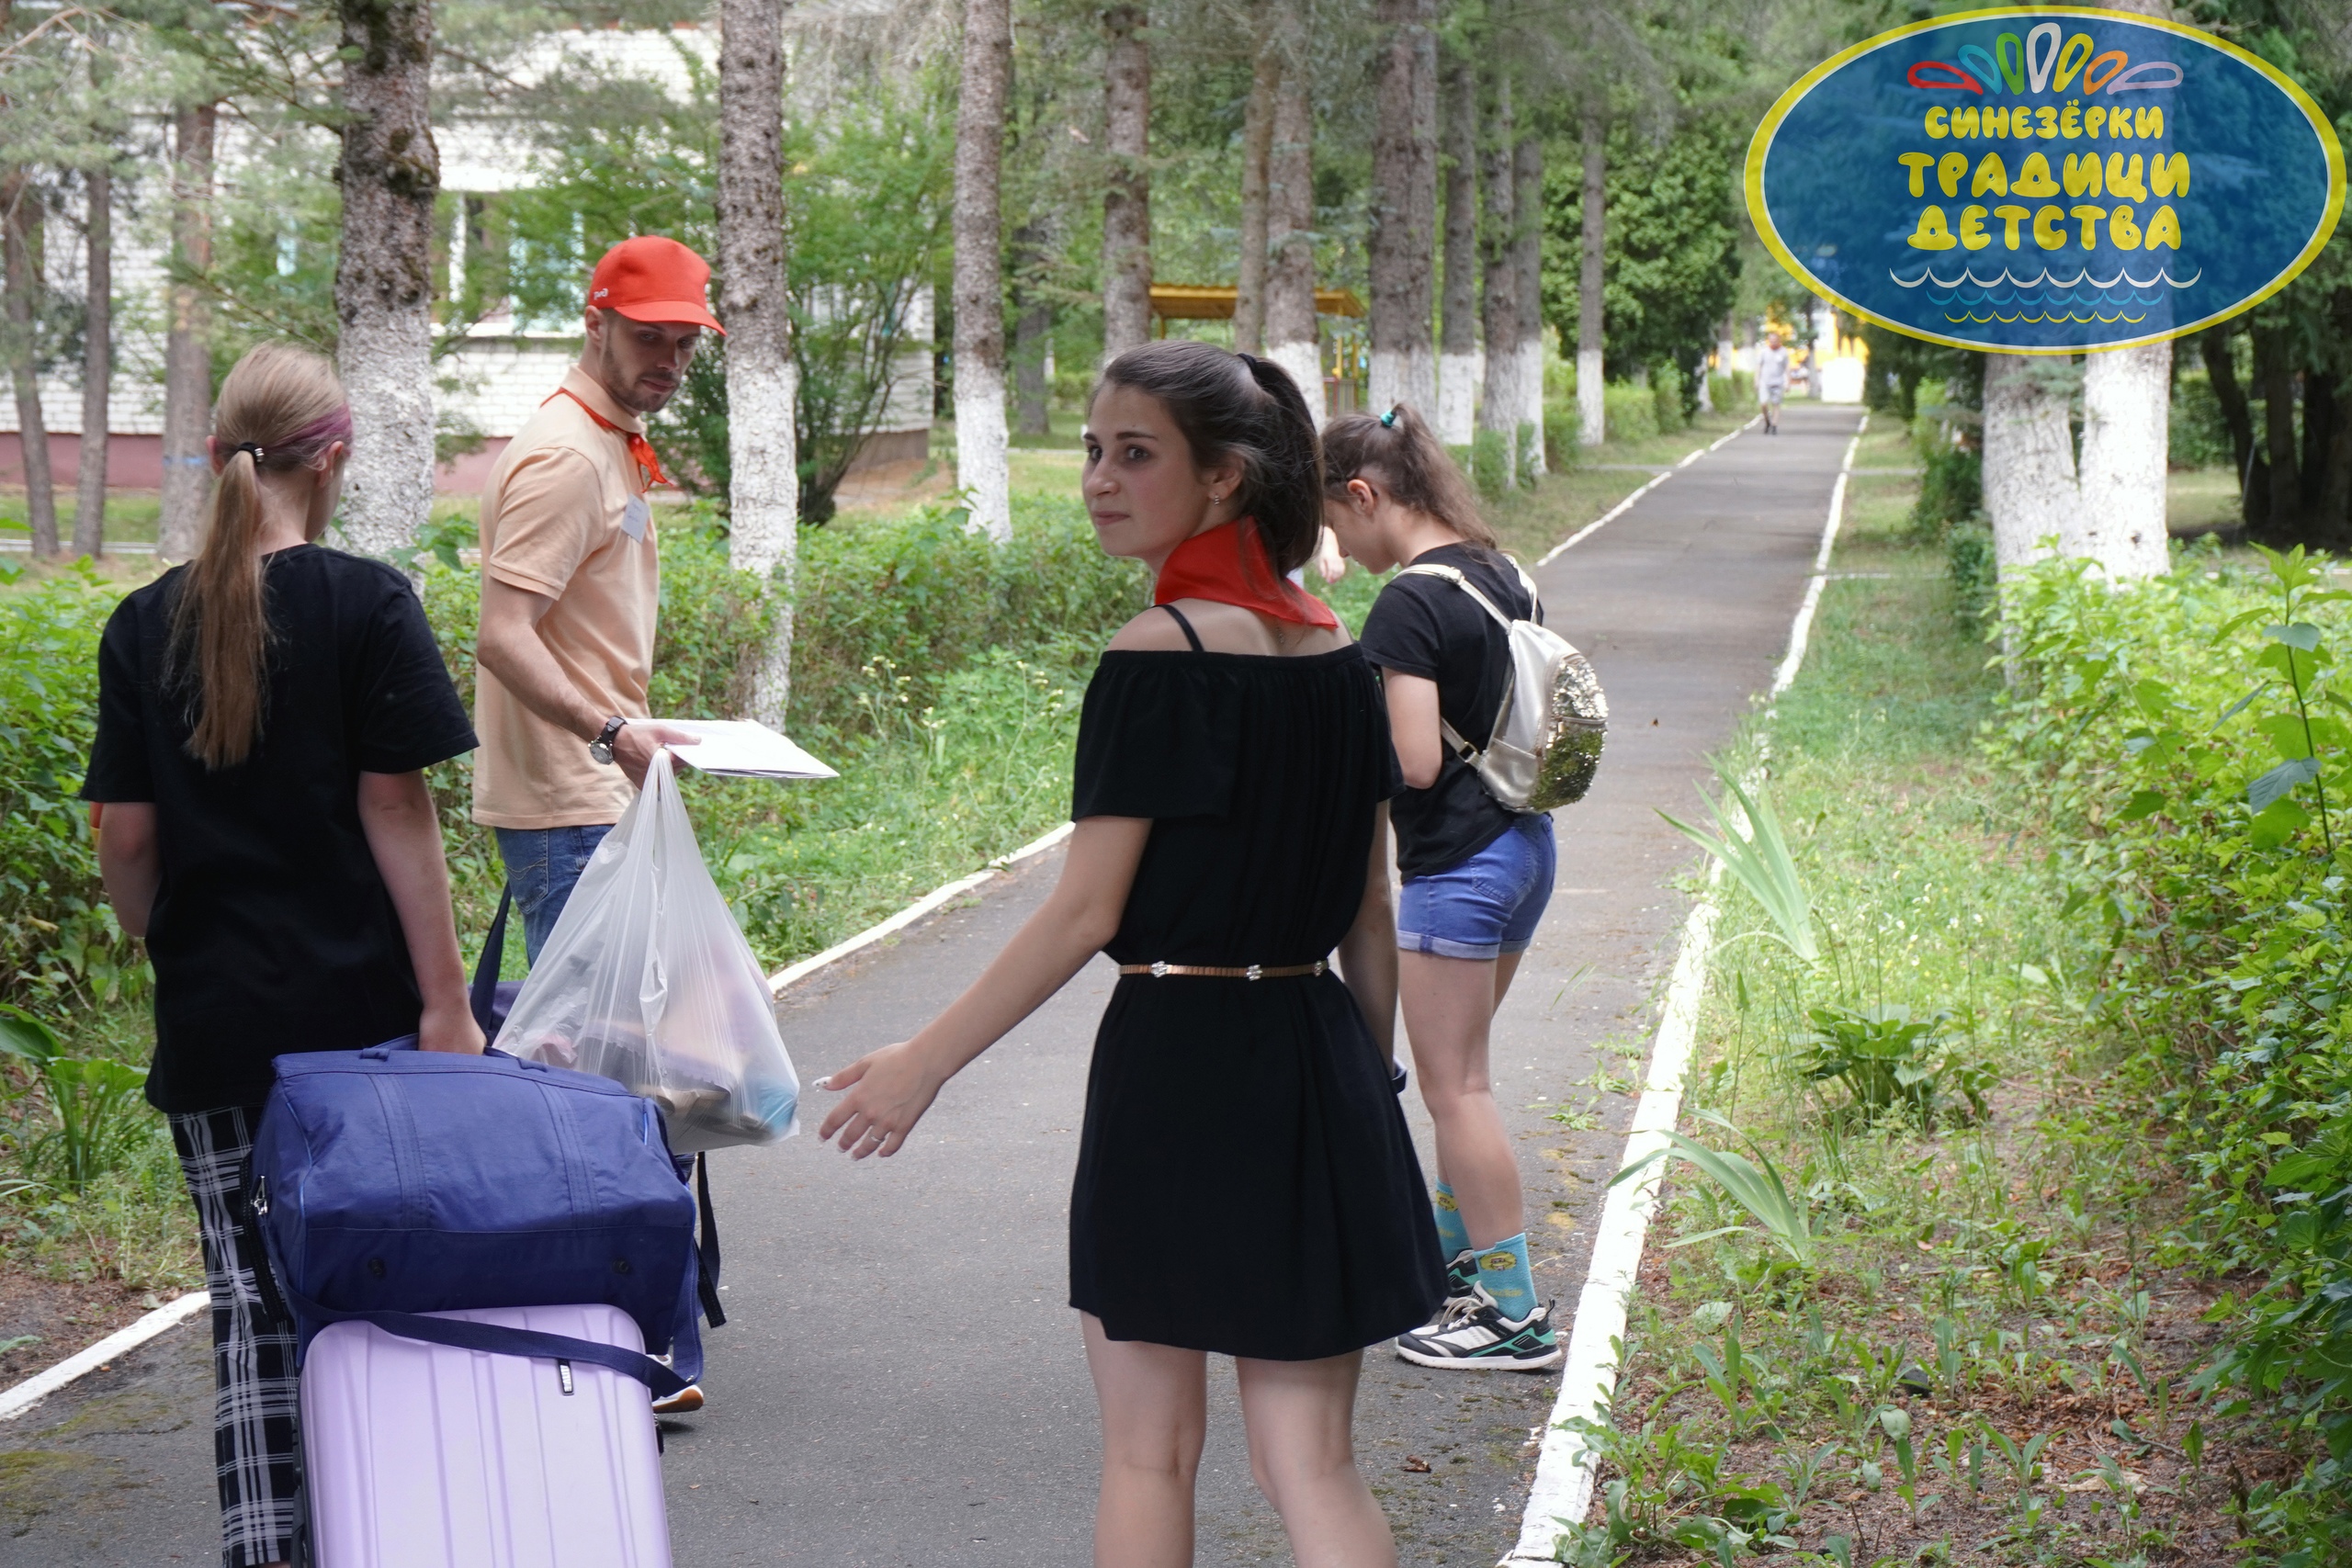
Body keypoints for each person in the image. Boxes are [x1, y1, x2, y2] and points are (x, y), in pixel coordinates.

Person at [817, 341, 1441, 1568]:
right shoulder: (1340, 652)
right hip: (1317, 1054)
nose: (1099, 477)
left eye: (1135, 453)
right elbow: (1370, 905)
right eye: (1095, 449)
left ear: (1223, 478)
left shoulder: (1158, 652)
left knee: (1149, 1452)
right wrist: (1364, 1082)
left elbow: (1083, 912)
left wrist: (922, 1062)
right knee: (1313, 1465)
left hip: (1176, 1067)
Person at [82, 344, 483, 1568]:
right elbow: (397, 809)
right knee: (376, 1294)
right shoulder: (367, 603)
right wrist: (449, 1004)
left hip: (215, 1030)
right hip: (363, 1031)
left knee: (251, 1310)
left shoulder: (143, 623)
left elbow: (126, 837)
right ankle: (395, 1536)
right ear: (336, 456)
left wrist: (157, 927)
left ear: (216, 456)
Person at [1321, 403, 1564, 1372]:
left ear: (1364, 495)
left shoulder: (1407, 605)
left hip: (1457, 867)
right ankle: (1457, 1266)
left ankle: (1513, 1315)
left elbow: (1414, 761)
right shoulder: (1502, 571)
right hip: (1524, 847)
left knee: (1456, 1089)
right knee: (1465, 1075)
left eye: (1334, 524)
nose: (1340, 547)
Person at [471, 233, 715, 963]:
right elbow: (503, 634)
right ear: (595, 324)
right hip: (572, 805)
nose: (670, 361)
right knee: (592, 1032)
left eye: (685, 343)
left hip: (594, 794)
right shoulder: (570, 455)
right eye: (648, 338)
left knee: (618, 1025)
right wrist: (611, 732)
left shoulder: (606, 438)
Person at [1756, 330, 1791, 434]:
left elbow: (1787, 367)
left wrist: (1788, 382)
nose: (1773, 342)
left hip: (1778, 382)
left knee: (1776, 404)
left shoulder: (1783, 352)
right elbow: (1759, 366)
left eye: (1775, 340)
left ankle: (1774, 425)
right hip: (1765, 382)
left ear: (1779, 340)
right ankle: (1767, 421)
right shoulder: (1764, 351)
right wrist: (1756, 380)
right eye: (1771, 340)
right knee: (1763, 403)